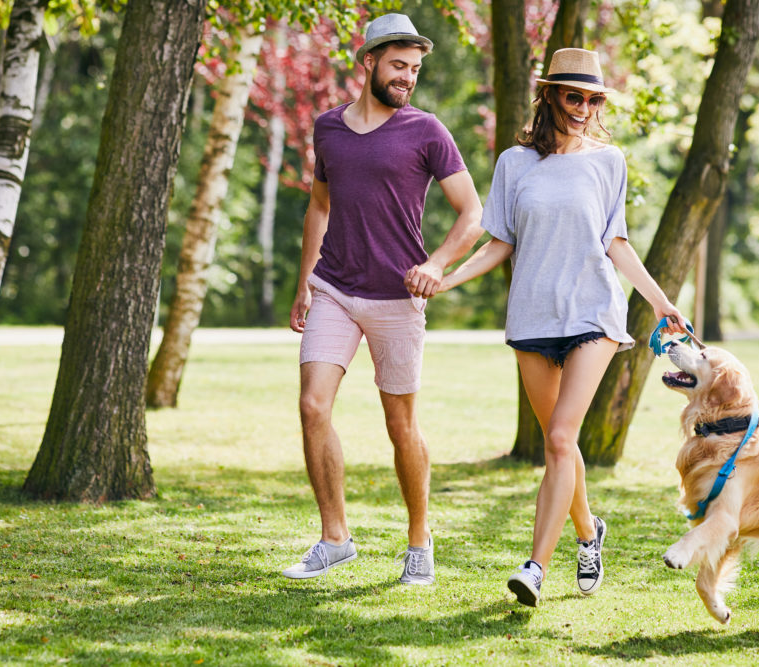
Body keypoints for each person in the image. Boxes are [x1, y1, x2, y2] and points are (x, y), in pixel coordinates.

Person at [405, 48, 688, 605]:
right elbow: (499, 243)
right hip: (532, 315)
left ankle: (535, 567)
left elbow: (616, 242)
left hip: (593, 314)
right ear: (550, 96)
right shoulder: (515, 163)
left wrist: (659, 302)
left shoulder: (609, 162)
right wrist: (444, 278)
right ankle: (589, 531)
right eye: (573, 96)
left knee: (560, 438)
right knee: (562, 448)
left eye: (592, 99)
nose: (583, 107)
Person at [283, 13, 483, 585]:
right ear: (367, 61)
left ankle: (419, 543)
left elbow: (473, 213)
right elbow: (319, 206)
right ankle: (334, 538)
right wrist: (304, 282)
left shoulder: (427, 131)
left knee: (401, 426)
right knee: (313, 406)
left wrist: (436, 263)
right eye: (398, 66)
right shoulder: (328, 129)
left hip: (397, 297)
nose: (407, 78)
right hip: (335, 288)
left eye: (415, 69)